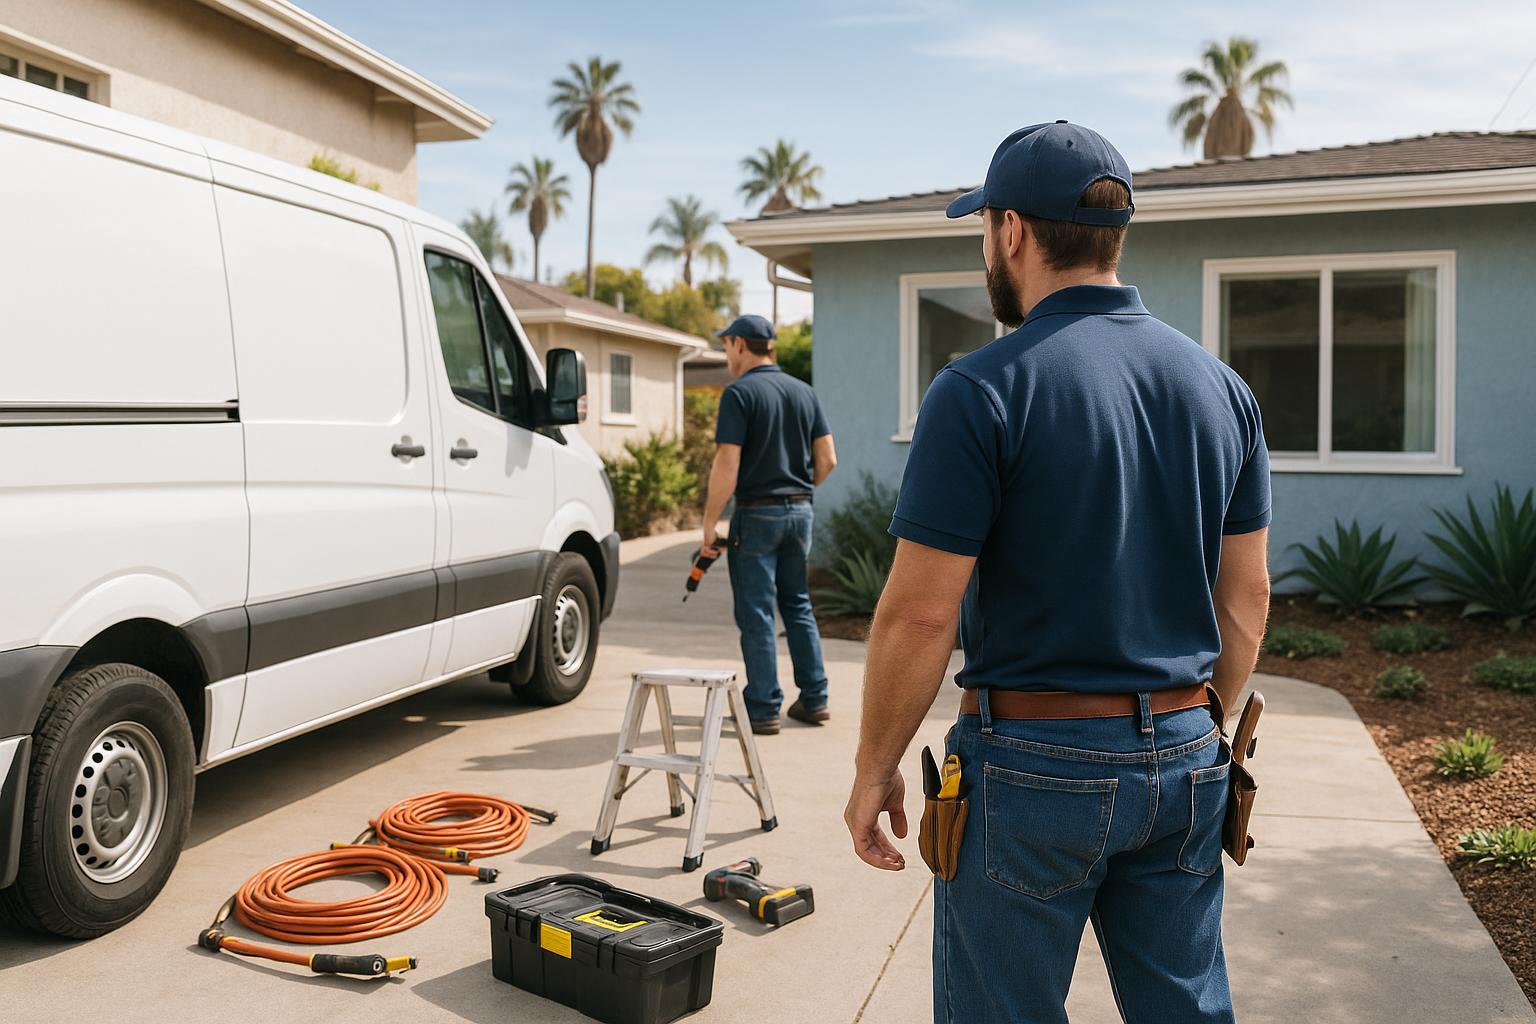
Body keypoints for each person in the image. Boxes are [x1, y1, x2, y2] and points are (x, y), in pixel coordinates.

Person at [842, 121, 1273, 1023]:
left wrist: (875, 765)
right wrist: (1199, 730)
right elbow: (1247, 596)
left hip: (1032, 771)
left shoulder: (981, 389)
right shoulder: (1223, 390)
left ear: (1011, 231)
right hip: (1188, 755)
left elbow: (920, 615)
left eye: (984, 227)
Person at [701, 314, 838, 735]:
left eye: (727, 345)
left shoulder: (739, 393)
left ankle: (762, 707)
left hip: (757, 514)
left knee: (757, 611)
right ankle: (814, 699)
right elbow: (828, 460)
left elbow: (728, 462)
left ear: (741, 344)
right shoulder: (804, 392)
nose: (726, 353)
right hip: (800, 512)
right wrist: (798, 493)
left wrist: (710, 522)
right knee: (797, 604)